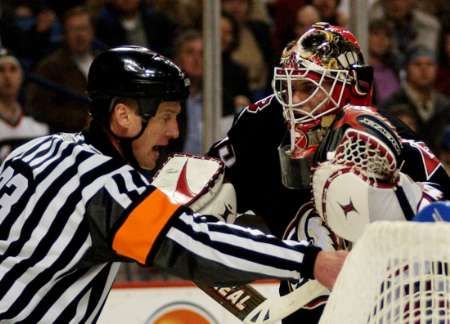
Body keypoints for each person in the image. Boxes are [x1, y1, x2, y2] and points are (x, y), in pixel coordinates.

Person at [0, 45, 347, 322]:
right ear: (124, 116)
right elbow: (196, 245)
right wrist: (311, 260)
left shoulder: (39, 148)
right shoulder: (106, 187)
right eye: (166, 117)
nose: (174, 132)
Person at [208, 22, 449, 323]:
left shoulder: (389, 141)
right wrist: (251, 307)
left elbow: (441, 221)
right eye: (289, 87)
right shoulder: (261, 127)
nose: (294, 102)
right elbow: (190, 222)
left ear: (351, 88)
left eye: (309, 87)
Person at [26, 6, 100, 133]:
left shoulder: (104, 62)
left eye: (83, 28)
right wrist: (81, 118)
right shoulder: (50, 66)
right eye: (73, 30)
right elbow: (38, 108)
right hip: (69, 138)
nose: (79, 34)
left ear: (92, 31)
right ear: (64, 34)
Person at [0, 48, 48, 162]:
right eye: (1, 70)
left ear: (21, 76)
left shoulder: (39, 123)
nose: (7, 76)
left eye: (13, 69)